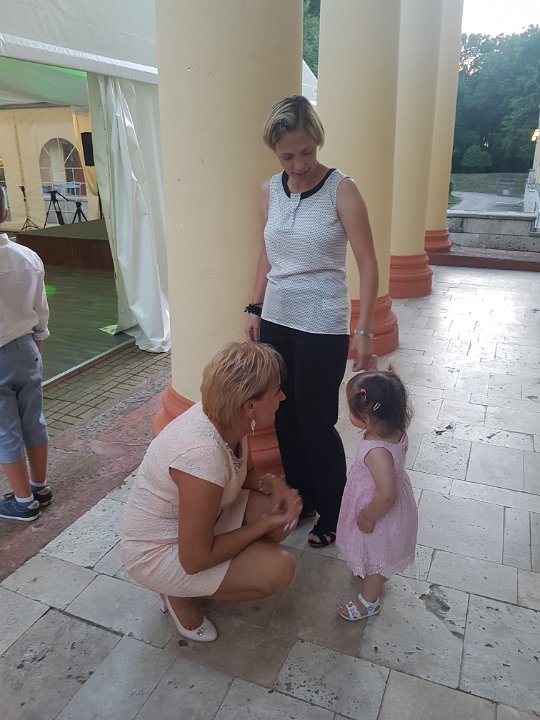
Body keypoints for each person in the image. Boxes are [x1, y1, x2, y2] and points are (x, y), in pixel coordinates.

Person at [245, 95, 379, 549]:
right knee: (283, 413)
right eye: (288, 156)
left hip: (323, 322)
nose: (299, 164)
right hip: (277, 318)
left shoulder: (343, 189)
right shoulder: (269, 190)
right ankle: (303, 497)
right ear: (275, 151)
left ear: (318, 141)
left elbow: (367, 262)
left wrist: (364, 330)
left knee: (315, 419)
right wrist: (254, 307)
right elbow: (267, 252)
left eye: (306, 152)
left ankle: (335, 510)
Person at [121, 341, 300, 643]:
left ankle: (209, 576)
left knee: (279, 515)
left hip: (199, 523)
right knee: (278, 569)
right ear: (250, 406)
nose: (282, 397)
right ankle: (176, 594)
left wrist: (276, 485)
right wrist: (261, 526)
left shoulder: (230, 419)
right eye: (276, 391)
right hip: (158, 550)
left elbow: (246, 472)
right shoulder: (202, 456)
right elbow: (195, 558)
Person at [336, 363, 417, 620]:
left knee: (375, 559)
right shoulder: (394, 428)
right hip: (385, 503)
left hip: (380, 513)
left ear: (367, 419)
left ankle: (368, 602)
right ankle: (372, 568)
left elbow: (387, 495)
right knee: (375, 553)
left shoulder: (378, 452)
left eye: (350, 409)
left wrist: (368, 516)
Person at [0, 186, 52, 522]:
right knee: (34, 420)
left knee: (5, 430)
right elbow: (41, 311)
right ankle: (40, 487)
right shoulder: (27, 256)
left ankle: (22, 502)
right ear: (5, 213)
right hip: (27, 348)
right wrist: (37, 347)